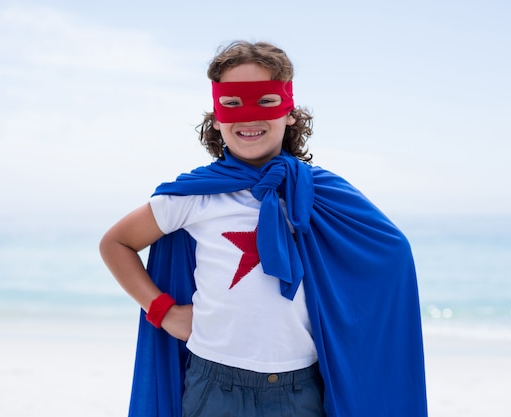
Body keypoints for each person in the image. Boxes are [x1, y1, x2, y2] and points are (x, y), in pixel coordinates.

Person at [100, 40, 427, 417]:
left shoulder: (319, 193)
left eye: (266, 101)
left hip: (298, 388)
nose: (248, 117)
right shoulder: (196, 197)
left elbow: (392, 253)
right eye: (233, 104)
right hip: (213, 384)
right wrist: (164, 311)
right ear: (217, 117)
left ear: (289, 112)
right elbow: (116, 243)